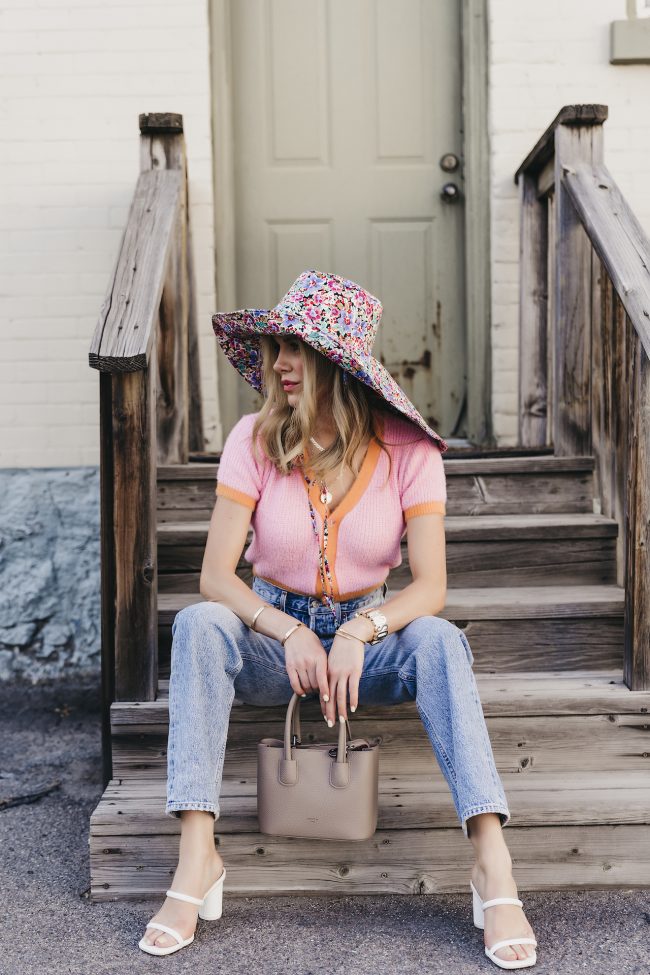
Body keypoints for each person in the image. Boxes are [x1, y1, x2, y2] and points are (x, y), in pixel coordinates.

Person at [139, 271, 538, 968]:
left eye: (299, 349)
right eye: (278, 347)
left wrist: (361, 628)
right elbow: (213, 576)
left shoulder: (410, 450)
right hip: (272, 640)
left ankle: (493, 867)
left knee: (441, 642)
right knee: (200, 624)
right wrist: (286, 627)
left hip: (370, 643)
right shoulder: (253, 440)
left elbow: (433, 586)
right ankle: (197, 857)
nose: (281, 363)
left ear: (340, 363)